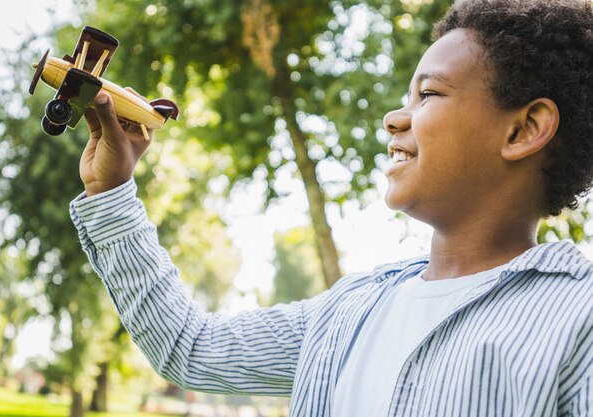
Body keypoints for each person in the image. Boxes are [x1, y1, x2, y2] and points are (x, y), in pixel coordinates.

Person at [69, 0, 593, 415]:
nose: (394, 118)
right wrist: (112, 190)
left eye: (428, 94)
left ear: (523, 130)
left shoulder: (576, 321)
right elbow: (190, 347)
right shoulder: (348, 310)